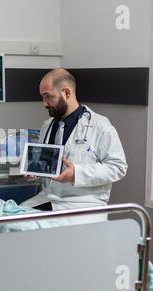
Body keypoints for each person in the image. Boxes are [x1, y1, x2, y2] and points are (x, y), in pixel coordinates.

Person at [21, 68, 128, 211]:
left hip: (84, 204)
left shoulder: (100, 126)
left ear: (66, 93)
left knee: (30, 226)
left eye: (48, 96)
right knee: (14, 217)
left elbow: (118, 167)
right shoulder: (48, 126)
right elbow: (49, 165)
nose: (44, 103)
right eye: (43, 97)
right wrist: (37, 170)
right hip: (48, 197)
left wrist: (76, 173)